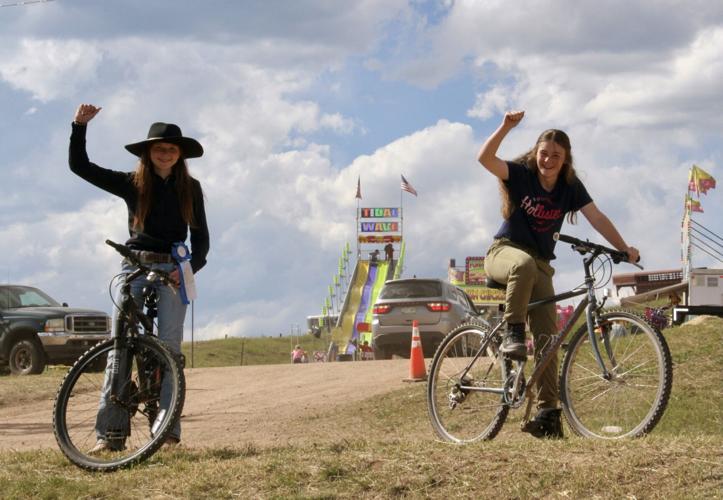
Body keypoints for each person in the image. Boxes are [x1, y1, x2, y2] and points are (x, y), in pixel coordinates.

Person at [477, 110, 639, 439]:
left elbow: (596, 217)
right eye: (544, 154)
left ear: (565, 160)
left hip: (540, 266)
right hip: (503, 252)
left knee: (550, 341)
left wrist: (624, 247)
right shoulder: (522, 173)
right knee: (521, 263)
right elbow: (485, 158)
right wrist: (506, 127)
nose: (548, 160)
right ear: (536, 154)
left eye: (556, 156)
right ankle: (513, 333)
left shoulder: (569, 186)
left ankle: (548, 413)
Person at [69, 104, 209, 451]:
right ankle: (110, 436)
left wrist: (187, 268)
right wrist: (79, 127)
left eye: (171, 149)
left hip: (173, 270)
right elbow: (80, 166)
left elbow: (201, 239)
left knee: (170, 350)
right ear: (148, 153)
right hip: (135, 267)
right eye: (159, 149)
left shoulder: (191, 188)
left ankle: (168, 432)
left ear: (180, 155)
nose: (165, 154)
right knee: (120, 348)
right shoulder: (132, 183)